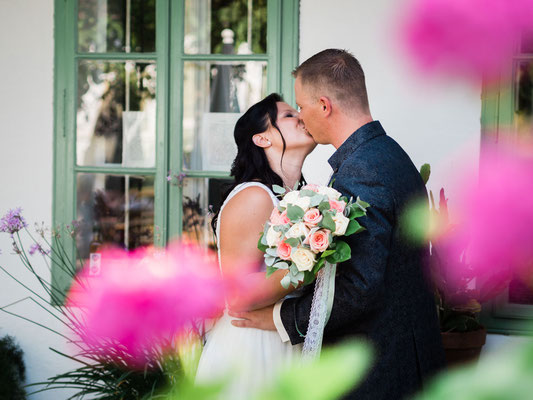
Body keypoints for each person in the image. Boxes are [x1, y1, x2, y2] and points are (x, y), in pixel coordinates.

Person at [230, 49, 446, 399]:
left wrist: (280, 319)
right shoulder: (390, 154)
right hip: (406, 354)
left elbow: (358, 289)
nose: (300, 116)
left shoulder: (362, 171)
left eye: (301, 106)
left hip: (381, 368)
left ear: (324, 105)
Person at [195, 93, 316, 398]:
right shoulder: (254, 197)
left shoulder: (297, 199)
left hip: (282, 339)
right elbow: (236, 295)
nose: (302, 117)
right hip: (251, 350)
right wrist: (310, 262)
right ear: (262, 139)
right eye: (290, 115)